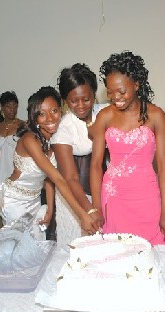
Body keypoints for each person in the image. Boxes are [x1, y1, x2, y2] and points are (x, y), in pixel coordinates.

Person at [91, 51, 165, 245]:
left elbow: (163, 167)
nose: (115, 97)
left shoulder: (156, 115)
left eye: (121, 91)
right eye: (110, 92)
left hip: (147, 195)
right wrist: (96, 207)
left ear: (136, 85)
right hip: (114, 196)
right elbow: (95, 165)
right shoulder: (104, 116)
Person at [0, 86, 97, 238]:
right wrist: (82, 215)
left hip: (35, 200)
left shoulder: (53, 139)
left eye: (54, 111)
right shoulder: (30, 140)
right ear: (35, 117)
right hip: (15, 200)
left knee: (36, 247)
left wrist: (50, 210)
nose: (50, 119)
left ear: (61, 110)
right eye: (42, 114)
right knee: (16, 247)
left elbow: (49, 180)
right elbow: (58, 178)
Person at [51, 63, 107, 244]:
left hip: (106, 192)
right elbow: (71, 177)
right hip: (76, 198)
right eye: (74, 101)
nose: (81, 105)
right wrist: (89, 210)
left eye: (87, 99)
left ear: (94, 95)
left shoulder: (106, 113)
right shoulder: (64, 128)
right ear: (65, 100)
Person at [0, 91, 25, 184]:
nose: (12, 110)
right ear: (2, 108)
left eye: (15, 107)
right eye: (8, 107)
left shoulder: (23, 126)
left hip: (17, 169)